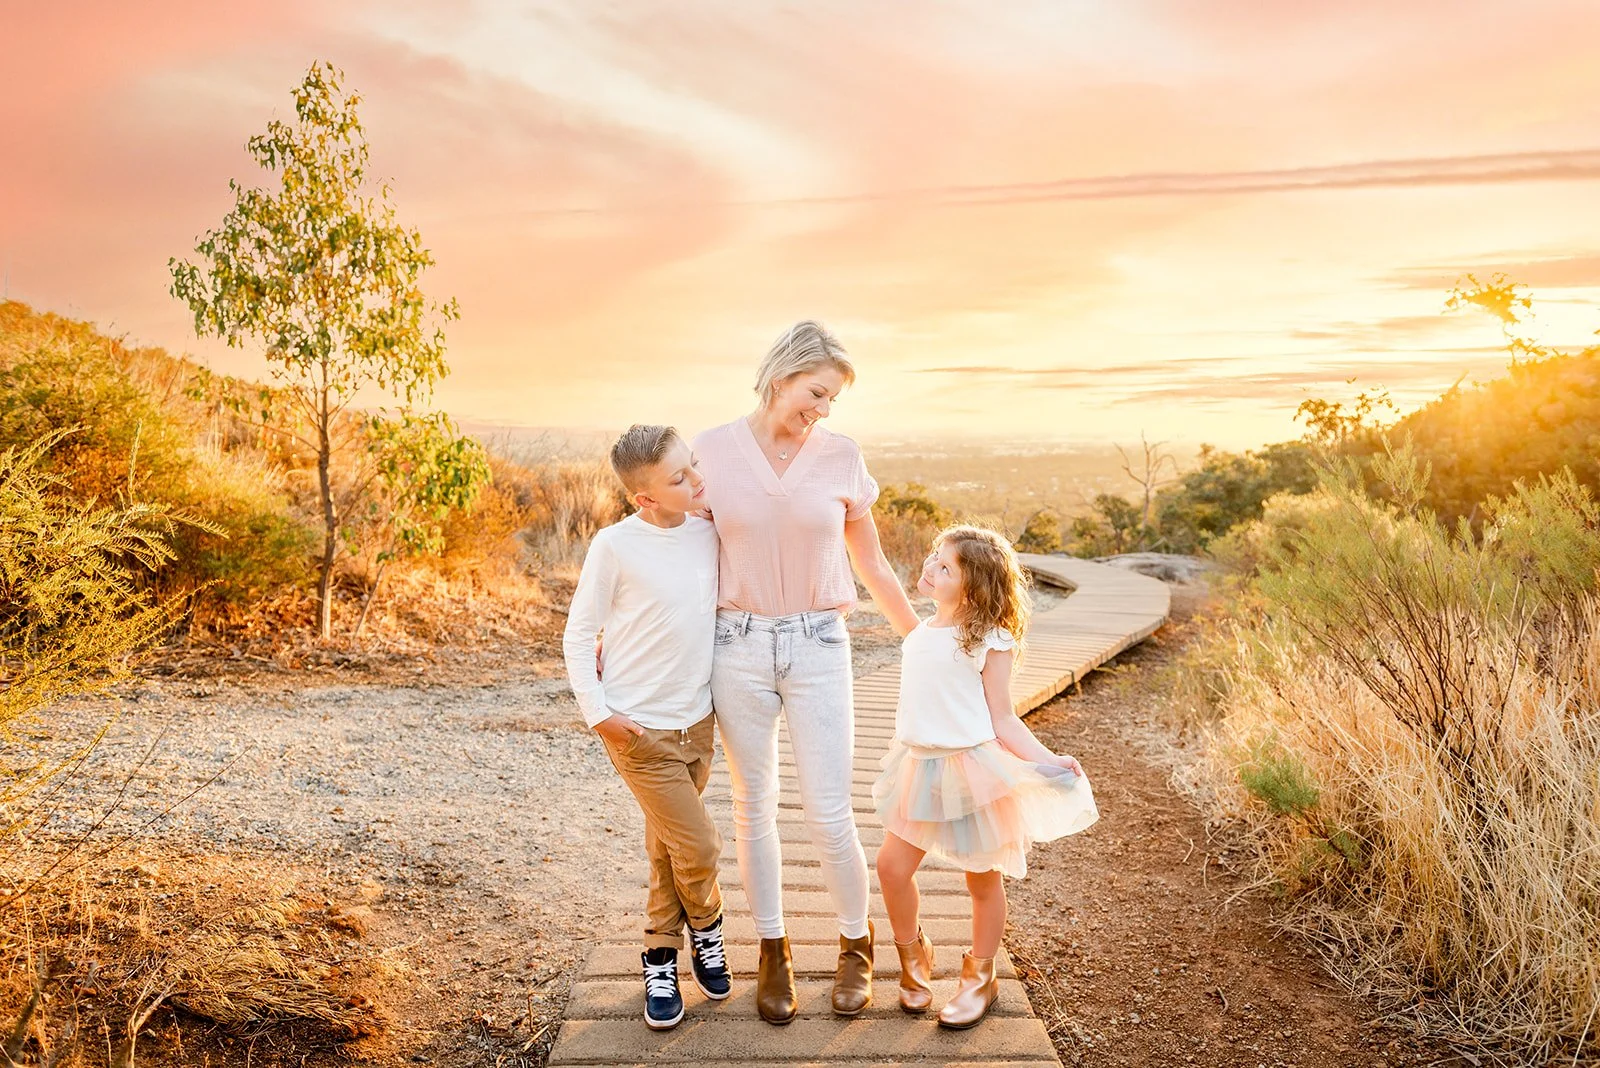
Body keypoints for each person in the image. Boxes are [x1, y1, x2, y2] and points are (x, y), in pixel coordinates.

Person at [693, 320, 920, 1024]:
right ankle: (774, 951)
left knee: (828, 811)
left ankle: (857, 947)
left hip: (821, 644)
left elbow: (872, 565)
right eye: (815, 393)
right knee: (753, 809)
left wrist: (923, 640)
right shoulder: (710, 452)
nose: (822, 410)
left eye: (831, 401)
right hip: (736, 644)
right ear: (781, 376)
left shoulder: (841, 457)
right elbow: (685, 564)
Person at [873, 525, 1099, 1029]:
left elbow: (1003, 716)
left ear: (972, 587)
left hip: (972, 768)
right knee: (891, 868)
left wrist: (1048, 759)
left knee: (982, 879)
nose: (930, 568)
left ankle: (980, 977)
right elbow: (875, 570)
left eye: (944, 567)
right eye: (933, 557)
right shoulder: (919, 631)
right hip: (918, 766)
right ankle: (914, 958)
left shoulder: (991, 640)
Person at [562, 424, 731, 1031]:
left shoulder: (711, 532)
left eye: (693, 467)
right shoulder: (615, 545)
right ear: (644, 498)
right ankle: (707, 931)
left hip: (698, 723)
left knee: (669, 844)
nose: (696, 481)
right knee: (701, 846)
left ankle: (661, 954)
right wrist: (598, 713)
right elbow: (581, 633)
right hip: (639, 730)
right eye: (679, 478)